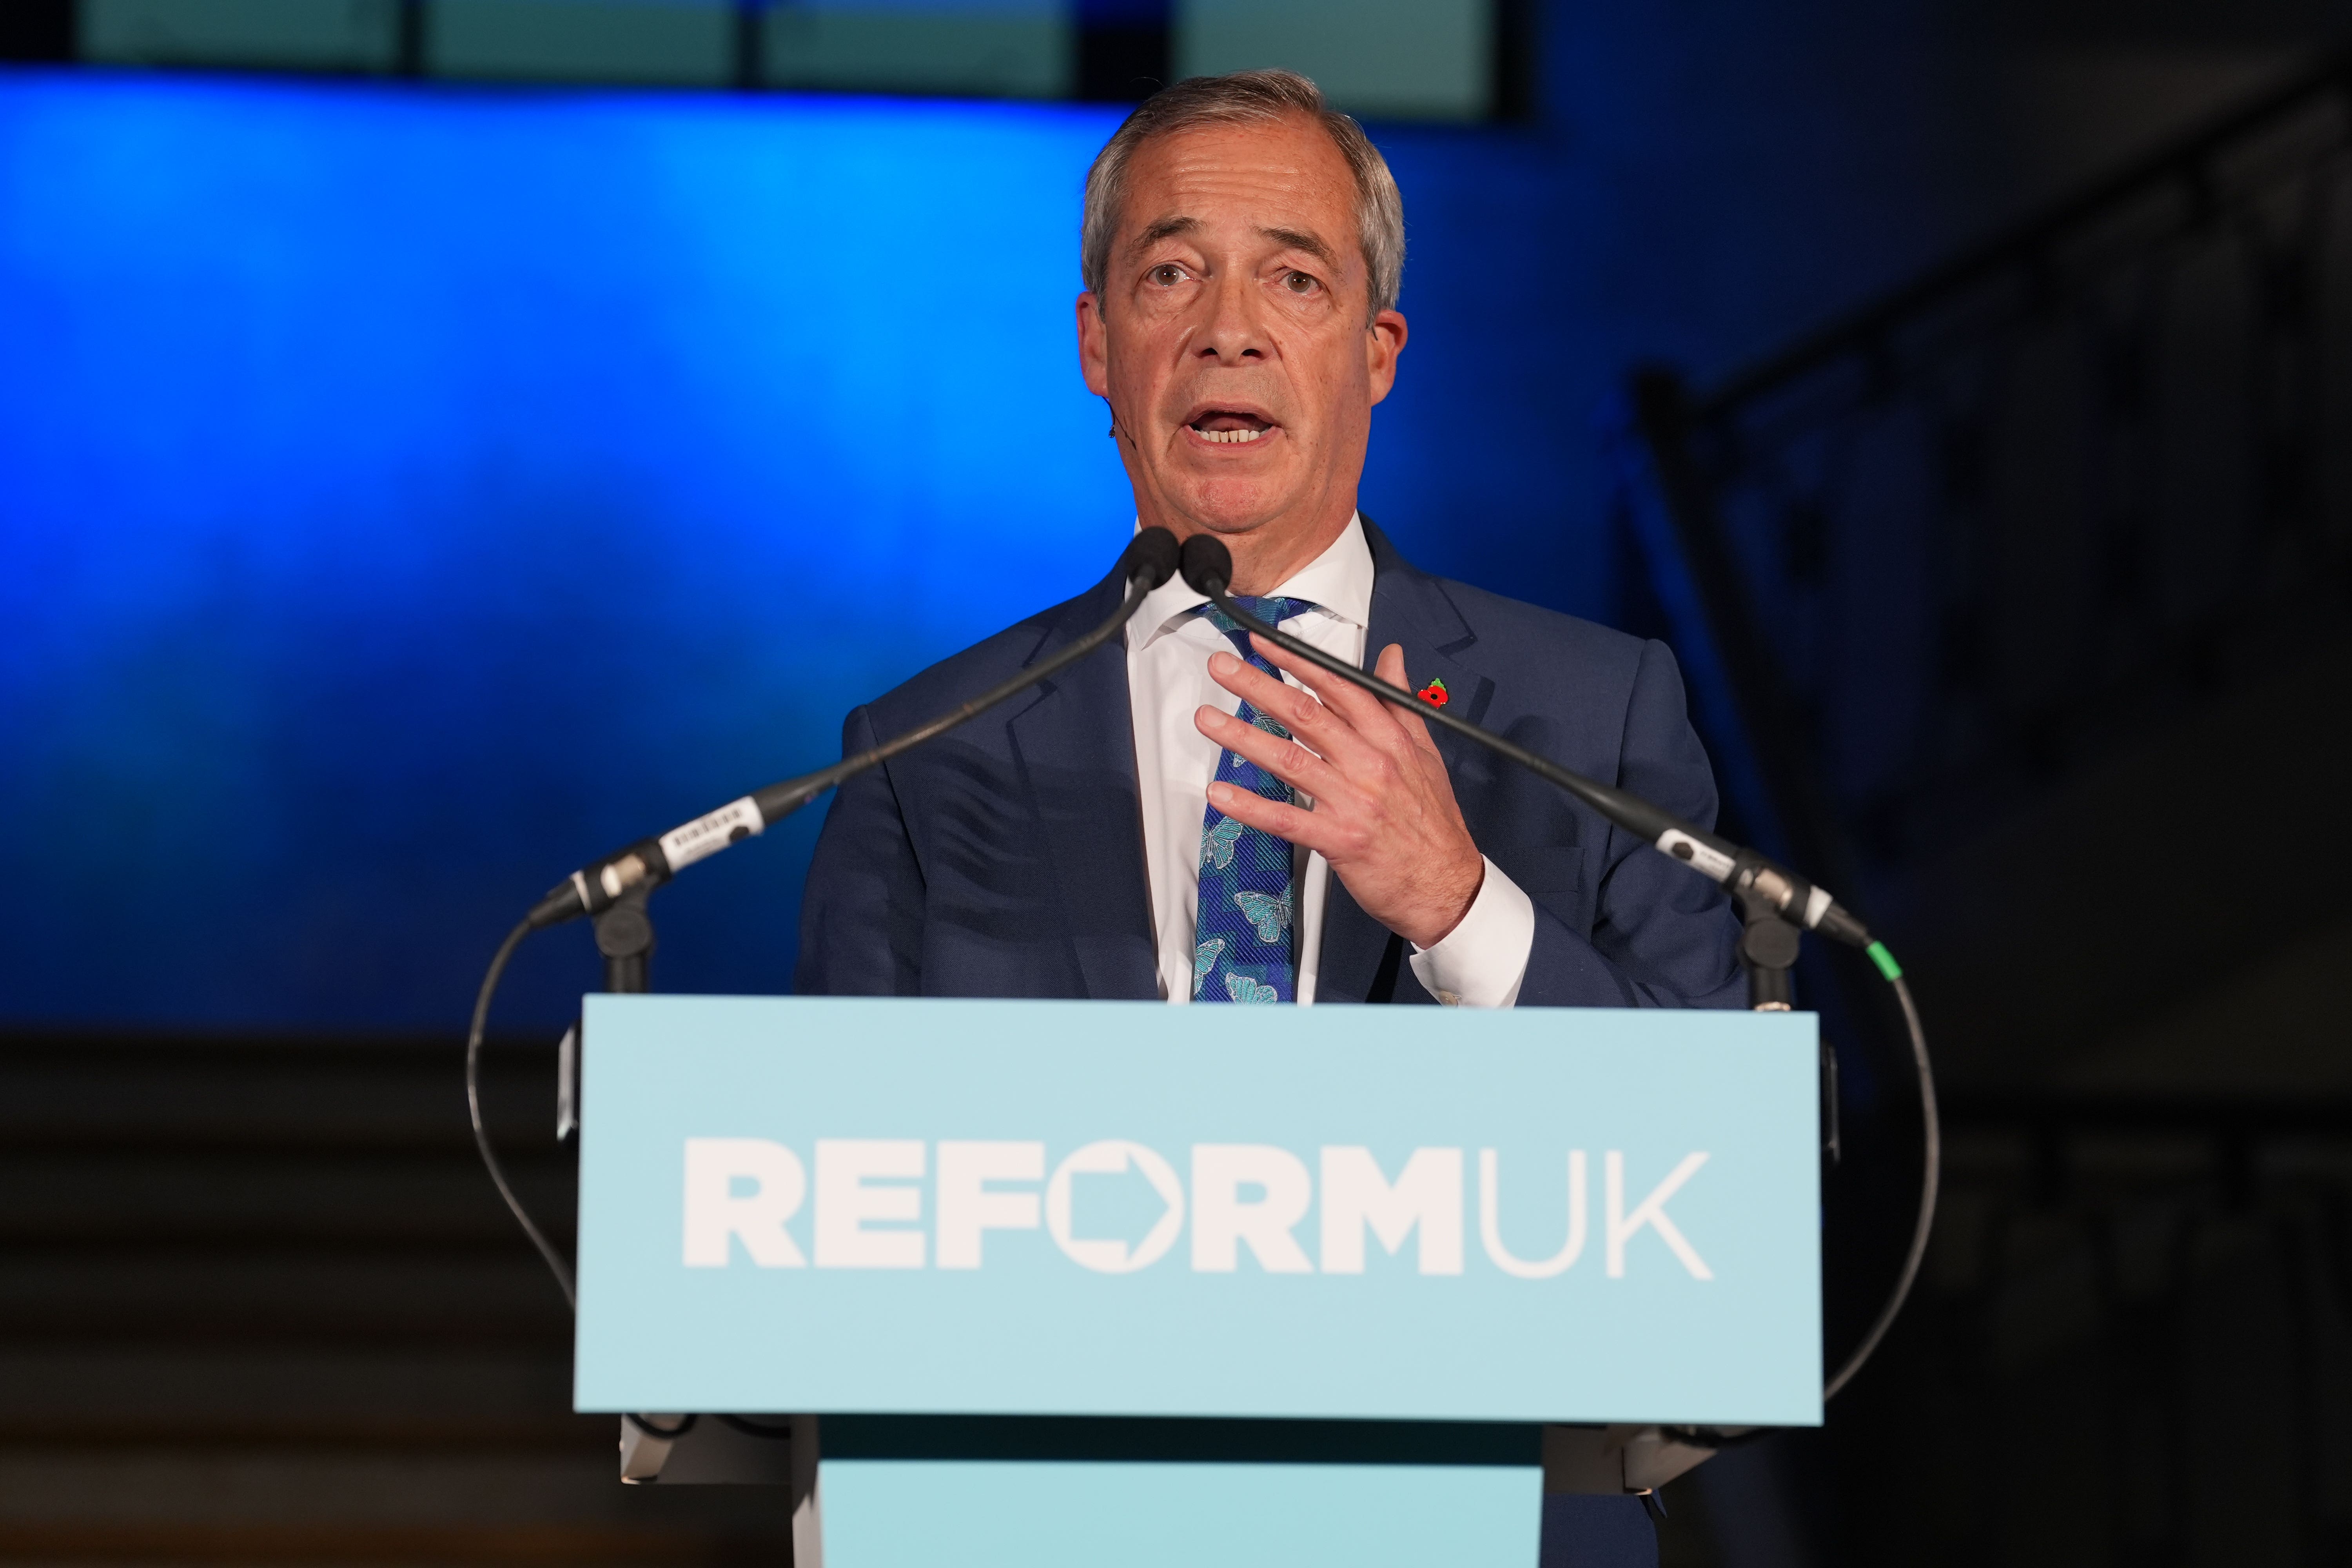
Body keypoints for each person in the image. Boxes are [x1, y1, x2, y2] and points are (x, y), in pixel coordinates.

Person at [797, 69, 1742, 1566]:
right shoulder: (924, 752)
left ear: (1376, 353)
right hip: (1047, 1518)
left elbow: (1721, 1179)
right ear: (1101, 346)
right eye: (1171, 272)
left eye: (1293, 277)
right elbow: (834, 1217)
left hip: (1483, 1509)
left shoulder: (1595, 711)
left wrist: (1458, 905)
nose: (1228, 325)